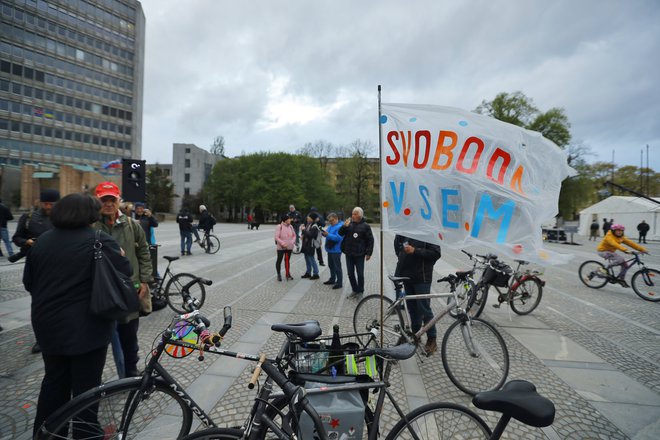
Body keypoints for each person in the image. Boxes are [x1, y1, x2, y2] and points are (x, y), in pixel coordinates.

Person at [24, 193, 132, 436]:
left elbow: (29, 282)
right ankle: (86, 434)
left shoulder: (42, 241)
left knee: (53, 383)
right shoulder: (99, 240)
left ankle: (48, 434)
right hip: (88, 328)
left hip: (48, 326)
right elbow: (124, 274)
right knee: (86, 389)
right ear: (89, 215)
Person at [94, 182, 152, 378]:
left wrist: (144, 280)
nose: (109, 204)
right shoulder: (92, 225)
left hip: (130, 289)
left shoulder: (131, 224)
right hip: (102, 290)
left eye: (112, 199)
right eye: (104, 200)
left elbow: (144, 252)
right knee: (100, 337)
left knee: (129, 335)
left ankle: (130, 371)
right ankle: (94, 376)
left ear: (119, 201)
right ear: (98, 201)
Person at [12, 189, 60, 353]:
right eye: (45, 203)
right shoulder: (29, 218)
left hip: (59, 266)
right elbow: (17, 238)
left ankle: (58, 334)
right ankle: (41, 339)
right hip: (37, 267)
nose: (48, 207)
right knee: (39, 306)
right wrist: (27, 242)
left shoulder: (62, 218)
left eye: (51, 204)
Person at [394, 235, 441, 354]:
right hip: (407, 275)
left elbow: (436, 254)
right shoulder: (404, 230)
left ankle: (432, 338)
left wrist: (415, 251)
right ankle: (415, 336)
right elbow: (398, 247)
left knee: (424, 308)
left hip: (422, 277)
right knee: (412, 308)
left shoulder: (428, 231)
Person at [338, 207, 374, 299]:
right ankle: (354, 290)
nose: (353, 216)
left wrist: (369, 253)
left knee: (360, 274)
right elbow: (340, 233)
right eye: (352, 214)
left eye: (355, 214)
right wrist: (344, 226)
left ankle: (360, 291)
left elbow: (370, 240)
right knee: (350, 273)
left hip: (359, 254)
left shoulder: (365, 226)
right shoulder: (348, 224)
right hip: (349, 253)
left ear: (360, 215)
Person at [596, 224, 647, 288]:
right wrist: (625, 250)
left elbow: (631, 243)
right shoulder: (609, 236)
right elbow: (614, 244)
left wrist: (642, 249)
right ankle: (603, 269)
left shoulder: (621, 237)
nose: (620, 232)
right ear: (613, 231)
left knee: (625, 265)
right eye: (617, 230)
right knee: (620, 259)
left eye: (621, 230)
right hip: (602, 251)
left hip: (610, 252)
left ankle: (621, 280)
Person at [321, 212, 343, 289]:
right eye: (329, 221)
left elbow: (338, 238)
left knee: (337, 267)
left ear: (336, 219)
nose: (330, 222)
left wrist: (328, 235)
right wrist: (323, 233)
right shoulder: (330, 226)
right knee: (331, 265)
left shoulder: (340, 227)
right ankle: (332, 279)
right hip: (330, 249)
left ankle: (339, 282)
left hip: (336, 250)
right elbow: (327, 233)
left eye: (332, 220)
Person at [274, 213, 296, 281]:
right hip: (281, 247)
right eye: (289, 219)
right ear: (285, 220)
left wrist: (292, 242)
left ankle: (287, 273)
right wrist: (283, 243)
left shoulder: (291, 226)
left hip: (289, 247)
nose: (290, 220)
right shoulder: (279, 226)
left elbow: (294, 235)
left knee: (287, 260)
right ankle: (279, 274)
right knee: (279, 260)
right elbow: (276, 237)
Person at [300, 213, 321, 280]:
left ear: (312, 219)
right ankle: (308, 272)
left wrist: (304, 230)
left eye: (308, 218)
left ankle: (316, 273)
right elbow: (306, 233)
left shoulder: (314, 226)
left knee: (311, 259)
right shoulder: (309, 224)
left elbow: (312, 235)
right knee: (307, 259)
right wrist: (302, 234)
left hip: (310, 245)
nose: (307, 218)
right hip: (306, 244)